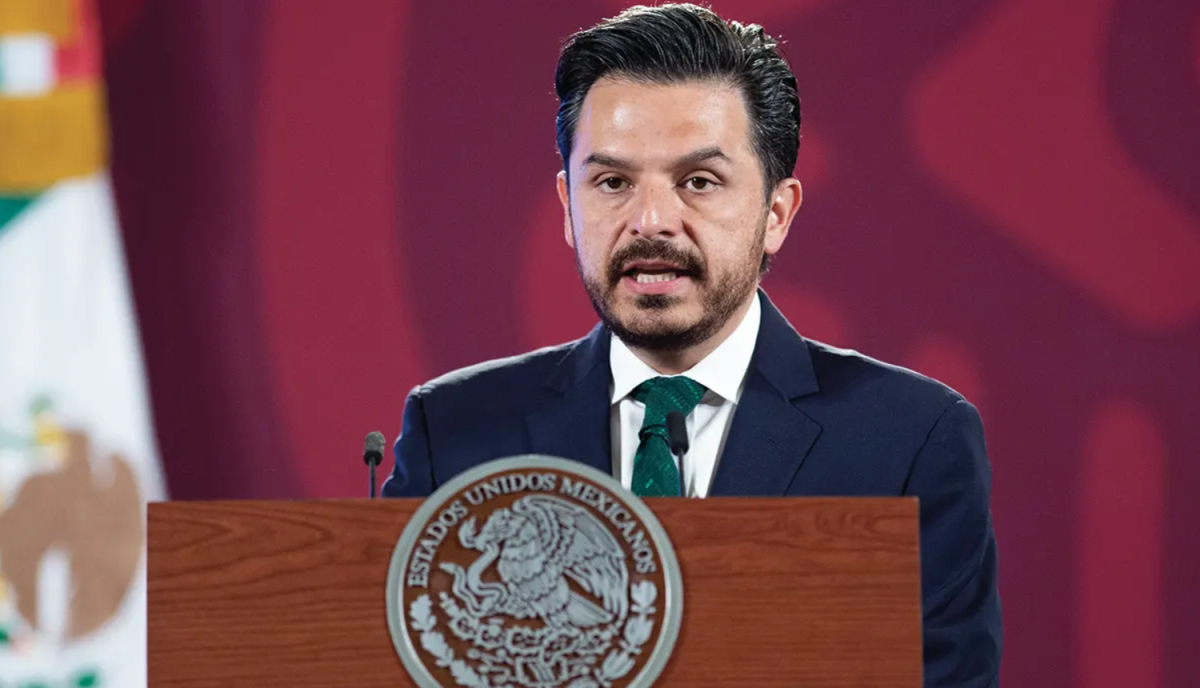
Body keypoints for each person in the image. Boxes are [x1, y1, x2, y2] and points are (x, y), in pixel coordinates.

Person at [382, 4, 1001, 685]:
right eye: (612, 182)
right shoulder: (454, 432)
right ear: (567, 208)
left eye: (698, 182)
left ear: (776, 213)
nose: (651, 221)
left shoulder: (912, 440)